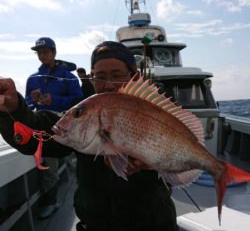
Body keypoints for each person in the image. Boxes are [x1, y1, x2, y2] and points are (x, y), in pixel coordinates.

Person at [0, 41, 179, 231]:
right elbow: (39, 132)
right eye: (100, 76)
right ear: (92, 79)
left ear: (133, 76)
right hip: (96, 224)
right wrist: (13, 109)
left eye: (117, 75)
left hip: (154, 223)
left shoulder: (158, 111)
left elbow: (179, 154)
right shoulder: (85, 116)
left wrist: (155, 161)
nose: (108, 84)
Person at [25, 37, 83, 219]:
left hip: (67, 126)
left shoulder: (69, 77)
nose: (42, 55)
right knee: (48, 165)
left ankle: (81, 192)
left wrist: (55, 100)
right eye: (39, 52)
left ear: (54, 52)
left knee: (75, 162)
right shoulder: (32, 79)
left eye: (46, 51)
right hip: (43, 126)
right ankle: (52, 201)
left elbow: (79, 102)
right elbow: (27, 104)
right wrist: (32, 100)